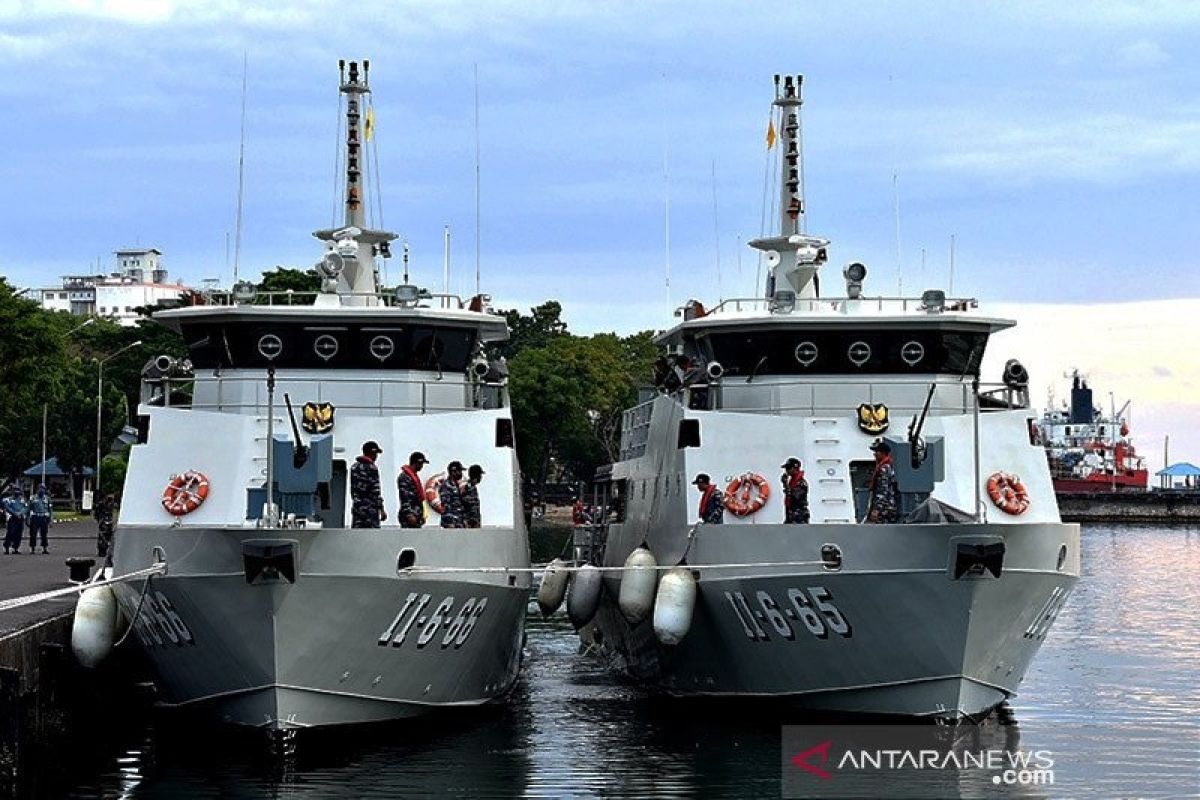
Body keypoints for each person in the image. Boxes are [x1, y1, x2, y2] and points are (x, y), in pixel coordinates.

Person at [350, 441, 387, 528]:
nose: (376, 456)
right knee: (372, 537)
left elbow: (353, 490)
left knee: (357, 536)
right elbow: (375, 491)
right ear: (372, 453)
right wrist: (381, 509)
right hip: (370, 511)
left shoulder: (354, 467)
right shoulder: (372, 468)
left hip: (357, 509)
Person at [866, 439, 900, 523]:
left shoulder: (884, 468)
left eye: (877, 452)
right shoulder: (889, 466)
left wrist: (877, 509)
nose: (874, 454)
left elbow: (882, 490)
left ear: (883, 453)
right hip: (888, 506)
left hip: (885, 509)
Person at [397, 451, 428, 528]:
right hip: (410, 516)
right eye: (421, 464)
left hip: (417, 514)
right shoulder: (405, 477)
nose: (422, 466)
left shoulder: (414, 477)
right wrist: (409, 514)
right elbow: (404, 497)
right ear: (416, 463)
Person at [781, 458, 810, 524]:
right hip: (791, 515)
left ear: (795, 468)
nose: (787, 471)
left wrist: (786, 485)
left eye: (788, 468)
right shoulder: (792, 483)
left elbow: (795, 496)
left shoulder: (802, 483)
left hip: (800, 516)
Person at [438, 461, 467, 528]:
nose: (461, 473)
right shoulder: (446, 485)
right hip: (451, 522)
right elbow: (446, 505)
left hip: (459, 521)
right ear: (453, 472)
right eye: (459, 471)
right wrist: (449, 522)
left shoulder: (457, 485)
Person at [27, 484, 52, 553]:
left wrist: (50, 520)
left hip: (44, 518)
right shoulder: (32, 498)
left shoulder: (47, 498)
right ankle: (32, 549)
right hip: (35, 517)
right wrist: (28, 519)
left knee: (44, 534)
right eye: (40, 488)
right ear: (37, 489)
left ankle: (44, 548)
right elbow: (28, 509)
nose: (42, 490)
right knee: (33, 534)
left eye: (43, 489)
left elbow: (50, 510)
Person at [3, 488, 28, 554]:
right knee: (10, 533)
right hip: (12, 518)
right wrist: (15, 513)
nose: (17, 492)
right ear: (13, 492)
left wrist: (20, 513)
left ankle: (16, 548)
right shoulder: (8, 499)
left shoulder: (22, 500)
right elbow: (7, 507)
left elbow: (26, 508)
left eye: (18, 491)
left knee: (18, 534)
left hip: (20, 518)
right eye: (15, 491)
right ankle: (7, 548)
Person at [95, 493, 116, 558]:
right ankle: (102, 550)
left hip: (108, 521)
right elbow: (97, 513)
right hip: (103, 521)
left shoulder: (111, 505)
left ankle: (107, 549)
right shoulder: (101, 505)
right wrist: (99, 520)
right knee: (103, 536)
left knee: (109, 535)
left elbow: (111, 513)